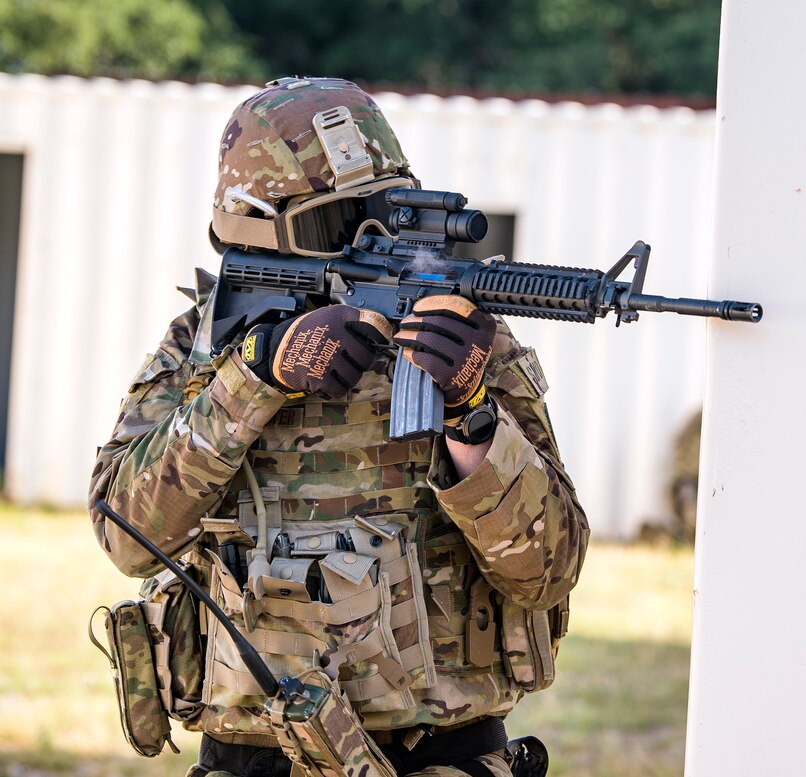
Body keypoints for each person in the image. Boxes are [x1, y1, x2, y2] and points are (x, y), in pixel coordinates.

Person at [89, 76, 588, 777]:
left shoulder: (465, 344)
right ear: (259, 228)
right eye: (337, 224)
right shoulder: (204, 350)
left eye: (384, 211)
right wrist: (257, 378)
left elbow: (549, 571)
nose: (368, 240)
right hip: (255, 757)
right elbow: (126, 535)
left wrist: (474, 418)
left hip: (441, 758)